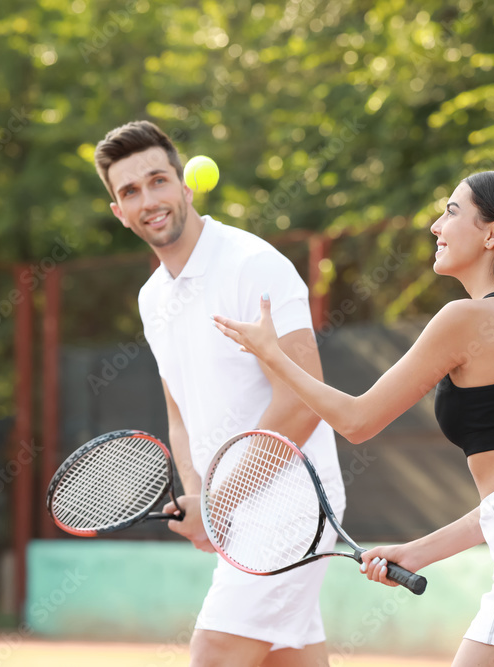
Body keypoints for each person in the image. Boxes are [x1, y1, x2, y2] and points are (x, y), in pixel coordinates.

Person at [213, 171, 494, 666]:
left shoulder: (466, 319)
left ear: (493, 232)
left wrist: (274, 356)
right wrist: (418, 551)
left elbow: (357, 420)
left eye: (452, 212)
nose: (436, 226)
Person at [93, 120, 346, 666]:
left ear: (185, 185)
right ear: (118, 212)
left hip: (293, 504)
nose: (148, 200)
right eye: (130, 191)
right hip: (240, 514)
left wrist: (218, 502)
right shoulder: (151, 298)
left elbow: (304, 400)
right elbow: (178, 410)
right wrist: (199, 495)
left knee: (212, 655)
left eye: (158, 180)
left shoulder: (253, 265)